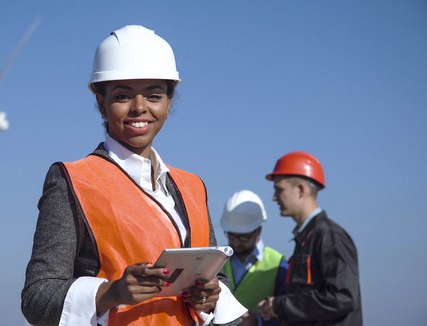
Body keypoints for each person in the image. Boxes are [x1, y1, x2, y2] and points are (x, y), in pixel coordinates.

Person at [21, 25, 251, 326]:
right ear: (100, 101)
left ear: (169, 101)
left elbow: (215, 278)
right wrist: (111, 293)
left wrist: (209, 295)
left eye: (154, 95)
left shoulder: (192, 187)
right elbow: (37, 298)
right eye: (123, 96)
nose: (139, 108)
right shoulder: (72, 180)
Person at [258, 151, 362, 325]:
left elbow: (342, 298)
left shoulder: (329, 236)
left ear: (300, 189)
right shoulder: (309, 237)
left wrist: (280, 305)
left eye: (279, 189)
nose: (274, 197)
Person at [220, 190, 288, 326]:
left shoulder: (279, 265)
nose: (237, 243)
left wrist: (257, 321)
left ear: (258, 231)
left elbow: (288, 316)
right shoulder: (216, 259)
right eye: (232, 236)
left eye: (244, 237)